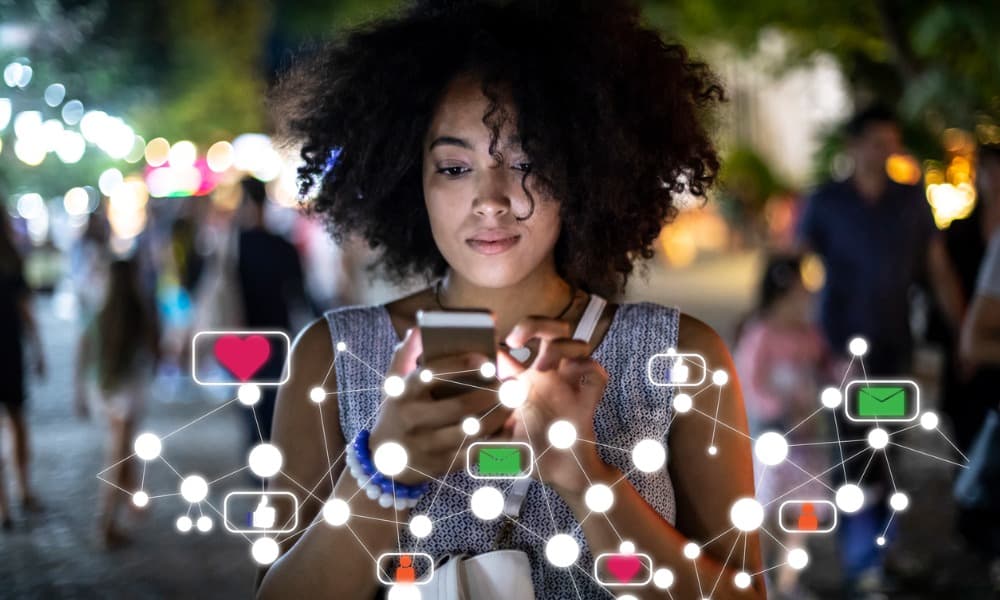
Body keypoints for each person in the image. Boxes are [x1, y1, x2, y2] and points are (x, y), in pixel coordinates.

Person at [257, 2, 763, 599]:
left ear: (584, 167)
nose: (490, 199)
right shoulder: (333, 356)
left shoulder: (682, 357)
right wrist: (380, 478)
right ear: (406, 175)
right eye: (453, 166)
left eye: (526, 162)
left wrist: (586, 480)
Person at [796, 105, 960, 597]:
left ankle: (880, 556)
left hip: (892, 350)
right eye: (875, 141)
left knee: (886, 451)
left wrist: (960, 329)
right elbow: (796, 268)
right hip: (839, 351)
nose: (884, 150)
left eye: (891, 141)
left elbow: (936, 268)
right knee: (851, 454)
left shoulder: (910, 200)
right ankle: (861, 563)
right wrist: (795, 339)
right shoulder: (827, 201)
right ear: (853, 145)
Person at [734, 254, 841, 599]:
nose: (809, 298)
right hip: (770, 442)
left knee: (803, 514)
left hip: (806, 443)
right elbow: (749, 386)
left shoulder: (810, 334)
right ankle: (759, 577)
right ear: (783, 294)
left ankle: (789, 582)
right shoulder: (760, 334)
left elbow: (829, 368)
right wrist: (783, 411)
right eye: (802, 292)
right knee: (765, 511)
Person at [74, 258, 160, 548]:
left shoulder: (100, 311)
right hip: (129, 392)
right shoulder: (139, 311)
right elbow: (154, 349)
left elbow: (82, 349)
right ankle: (105, 523)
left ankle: (132, 501)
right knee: (118, 456)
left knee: (121, 451)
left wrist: (79, 392)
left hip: (103, 390)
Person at [232, 176, 308, 448]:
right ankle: (271, 465)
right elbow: (300, 292)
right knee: (274, 407)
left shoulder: (232, 247)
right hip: (277, 335)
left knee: (250, 408)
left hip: (240, 337)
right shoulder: (283, 246)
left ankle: (256, 467)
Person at [0, 207, 45, 530]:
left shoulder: (13, 258)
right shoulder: (12, 257)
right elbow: (26, 309)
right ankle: (21, 489)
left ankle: (5, 504)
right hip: (9, 348)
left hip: (9, 348)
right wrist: (38, 348)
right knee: (17, 420)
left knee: (16, 420)